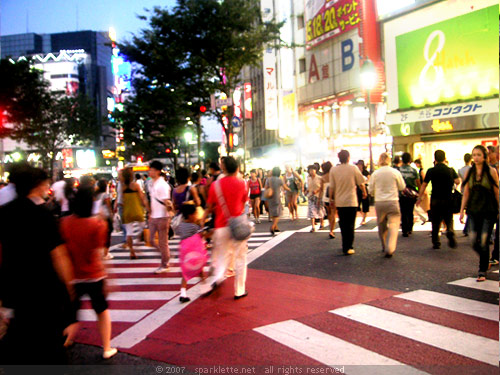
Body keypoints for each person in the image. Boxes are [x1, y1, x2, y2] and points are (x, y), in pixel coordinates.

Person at [0, 166, 78, 364]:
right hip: (45, 294)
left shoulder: (5, 213)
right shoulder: (43, 215)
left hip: (15, 294)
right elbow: (59, 257)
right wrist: (71, 298)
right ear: (37, 185)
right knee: (50, 354)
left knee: (18, 353)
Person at [60, 186, 117, 359]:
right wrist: (109, 278)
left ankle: (66, 341)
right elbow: (100, 253)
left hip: (73, 275)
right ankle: (107, 347)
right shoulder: (97, 223)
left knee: (71, 314)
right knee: (101, 311)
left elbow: (62, 250)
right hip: (94, 274)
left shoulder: (65, 223)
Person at [203, 156, 249, 299]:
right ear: (236, 169)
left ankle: (218, 278)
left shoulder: (215, 185)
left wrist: (202, 219)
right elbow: (243, 203)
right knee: (240, 258)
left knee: (222, 256)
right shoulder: (242, 183)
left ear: (223, 169)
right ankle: (239, 291)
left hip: (221, 226)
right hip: (237, 225)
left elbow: (210, 206)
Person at [459, 145, 499, 282]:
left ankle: (482, 271)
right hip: (473, 209)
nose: (475, 157)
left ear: (484, 157)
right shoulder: (469, 172)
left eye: (478, 155)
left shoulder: (491, 171)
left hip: (488, 210)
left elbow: (496, 191)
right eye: (474, 155)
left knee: (483, 240)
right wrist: (461, 211)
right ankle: (485, 258)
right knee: (472, 239)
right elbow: (466, 193)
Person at [417, 150, 460, 249]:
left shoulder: (431, 170)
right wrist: (454, 186)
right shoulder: (450, 170)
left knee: (435, 221)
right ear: (445, 158)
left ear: (435, 159)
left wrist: (420, 197)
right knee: (448, 218)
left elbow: (424, 185)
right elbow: (457, 181)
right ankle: (449, 230)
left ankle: (436, 242)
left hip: (435, 199)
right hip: (448, 198)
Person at [329, 150, 367, 255]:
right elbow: (361, 183)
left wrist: (331, 199)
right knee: (350, 224)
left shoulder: (334, 170)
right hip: (351, 200)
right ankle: (349, 246)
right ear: (348, 157)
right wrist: (364, 193)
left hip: (340, 201)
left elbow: (331, 187)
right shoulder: (353, 168)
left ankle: (344, 244)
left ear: (339, 158)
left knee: (343, 223)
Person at [369, 153, 406, 257]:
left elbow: (370, 189)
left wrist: (374, 193)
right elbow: (402, 187)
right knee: (394, 224)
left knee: (382, 225)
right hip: (393, 200)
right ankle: (390, 247)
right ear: (389, 160)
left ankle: (384, 245)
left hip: (379, 202)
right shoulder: (395, 172)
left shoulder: (375, 174)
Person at [177, 203, 209, 303]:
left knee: (185, 274)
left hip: (185, 253)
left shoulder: (181, 226)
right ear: (190, 215)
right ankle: (205, 288)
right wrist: (202, 226)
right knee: (200, 270)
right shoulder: (194, 227)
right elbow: (202, 235)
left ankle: (183, 293)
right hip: (195, 253)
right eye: (195, 214)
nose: (196, 216)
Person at [148, 160, 174, 274]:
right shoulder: (151, 183)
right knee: (151, 240)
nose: (150, 172)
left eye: (152, 170)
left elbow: (167, 202)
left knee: (162, 242)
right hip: (154, 216)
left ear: (158, 171)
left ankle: (165, 263)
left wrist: (169, 215)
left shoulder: (163, 185)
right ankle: (166, 255)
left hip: (162, 217)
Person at [121, 167, 148, 259]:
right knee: (142, 227)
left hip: (127, 211)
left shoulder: (122, 187)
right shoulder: (136, 185)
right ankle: (137, 243)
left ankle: (132, 252)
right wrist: (146, 207)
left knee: (129, 232)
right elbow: (142, 197)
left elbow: (122, 200)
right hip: (137, 210)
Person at [399, 152, 421, 237]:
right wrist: (419, 193)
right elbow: (418, 182)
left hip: (402, 192)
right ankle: (410, 228)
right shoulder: (413, 170)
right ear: (410, 160)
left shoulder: (399, 170)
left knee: (403, 211)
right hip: (411, 192)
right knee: (410, 210)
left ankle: (404, 229)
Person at [265, 167, 291, 235]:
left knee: (273, 212)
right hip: (276, 197)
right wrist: (289, 189)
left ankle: (276, 227)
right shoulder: (279, 180)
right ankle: (273, 226)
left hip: (270, 197)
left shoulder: (268, 179)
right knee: (277, 213)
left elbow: (266, 187)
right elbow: (284, 187)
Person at [93, 179, 114, 259]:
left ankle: (99, 252)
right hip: (105, 216)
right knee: (107, 234)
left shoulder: (95, 195)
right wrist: (111, 215)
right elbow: (108, 206)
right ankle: (105, 253)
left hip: (96, 216)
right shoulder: (105, 195)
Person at [458, 153, 472, 236]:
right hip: (471, 191)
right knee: (470, 209)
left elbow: (459, 181)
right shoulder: (472, 169)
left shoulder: (460, 170)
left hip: (463, 190)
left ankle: (467, 228)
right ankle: (467, 228)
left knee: (466, 208)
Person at [306, 165, 323, 232]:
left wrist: (317, 191)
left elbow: (322, 187)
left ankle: (322, 223)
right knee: (311, 211)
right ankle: (313, 226)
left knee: (320, 210)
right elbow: (309, 187)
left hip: (318, 196)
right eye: (310, 170)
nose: (311, 171)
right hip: (311, 196)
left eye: (313, 170)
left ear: (316, 170)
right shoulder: (308, 178)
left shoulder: (319, 178)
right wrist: (307, 191)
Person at [321, 162, 336, 239]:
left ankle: (330, 228)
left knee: (329, 213)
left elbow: (321, 189)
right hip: (333, 196)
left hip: (325, 197)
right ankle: (332, 230)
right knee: (333, 213)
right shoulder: (333, 175)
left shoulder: (323, 177)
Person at [414, 159, 429, 223]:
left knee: (418, 204)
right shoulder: (419, 171)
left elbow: (424, 180)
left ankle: (424, 217)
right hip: (422, 190)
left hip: (423, 190)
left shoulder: (421, 171)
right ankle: (424, 217)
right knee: (420, 204)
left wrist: (423, 189)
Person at [356, 160, 370, 225]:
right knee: (357, 205)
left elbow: (369, 180)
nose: (359, 166)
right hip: (357, 189)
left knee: (365, 204)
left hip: (365, 188)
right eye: (358, 165)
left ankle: (364, 218)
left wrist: (365, 183)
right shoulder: (356, 172)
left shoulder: (365, 172)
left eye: (360, 165)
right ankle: (362, 215)